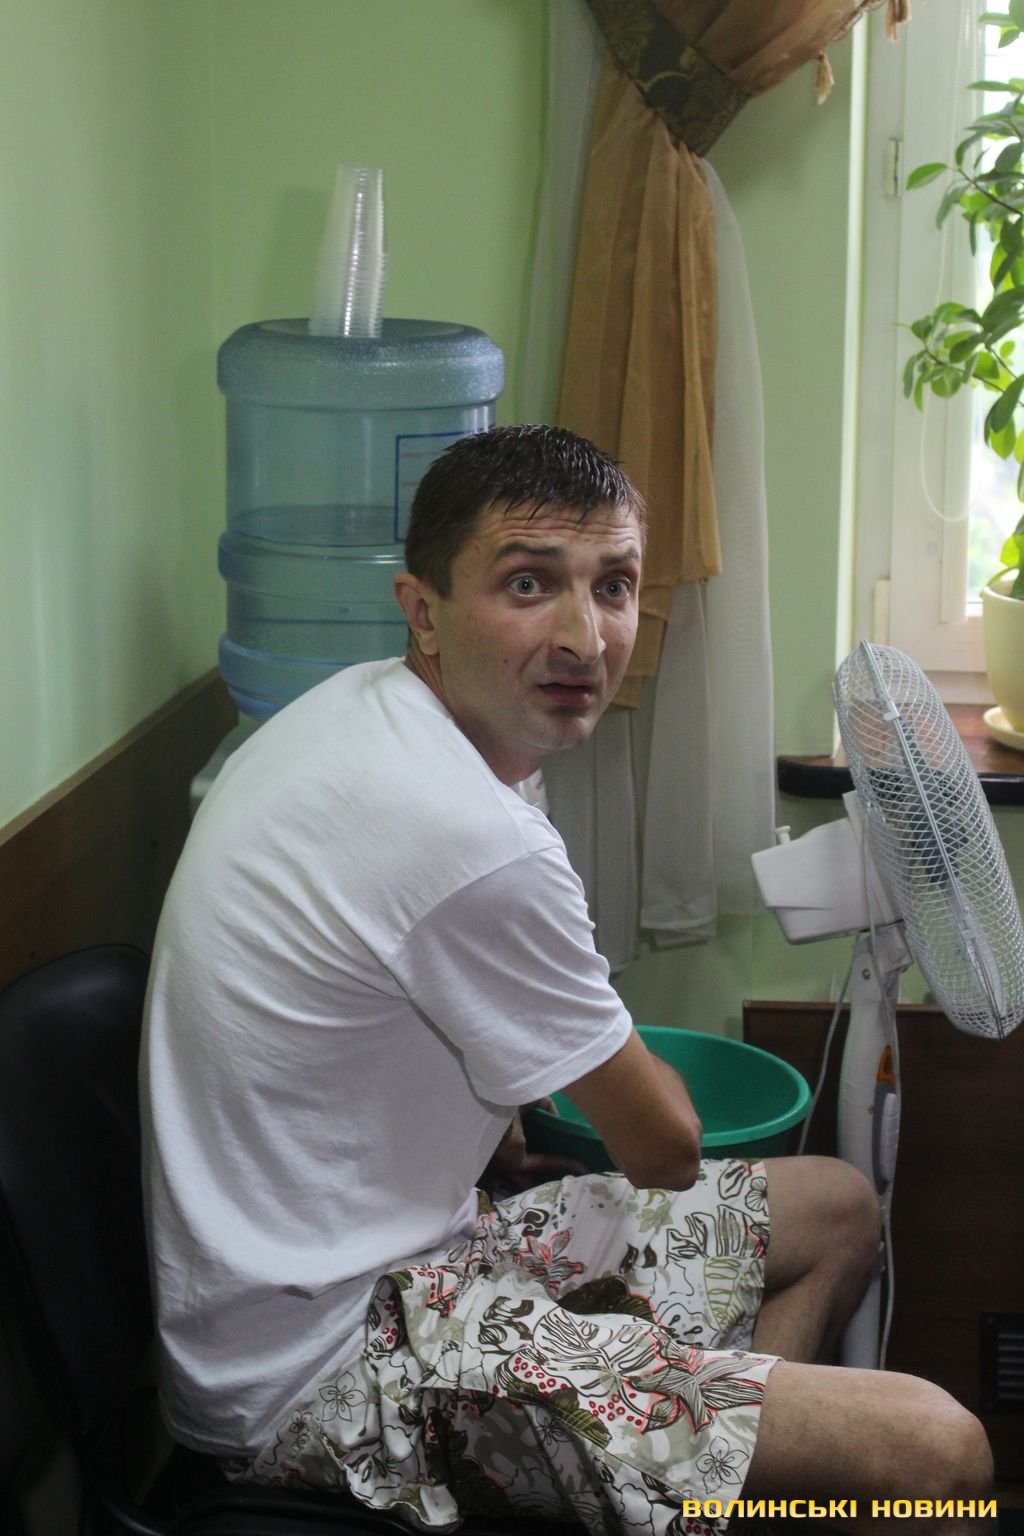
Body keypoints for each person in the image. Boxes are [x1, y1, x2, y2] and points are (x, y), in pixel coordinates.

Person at [141, 424, 993, 1535]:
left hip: (403, 1264)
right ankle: (692, 1464)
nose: (584, 636)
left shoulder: (371, 711)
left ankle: (697, 1488)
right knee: (938, 1449)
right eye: (528, 584)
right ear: (423, 608)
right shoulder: (464, 831)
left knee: (836, 1208)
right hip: (329, 1374)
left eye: (614, 586)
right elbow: (665, 1149)